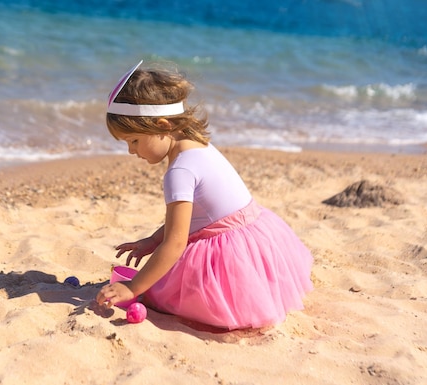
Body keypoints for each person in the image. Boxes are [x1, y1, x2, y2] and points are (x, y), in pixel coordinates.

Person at [95, 60, 314, 330]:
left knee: (160, 294)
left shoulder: (180, 171)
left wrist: (133, 287)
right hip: (258, 239)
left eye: (134, 141)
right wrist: (154, 239)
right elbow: (202, 215)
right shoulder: (200, 147)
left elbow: (175, 244)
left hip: (231, 256)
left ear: (163, 125)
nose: (131, 151)